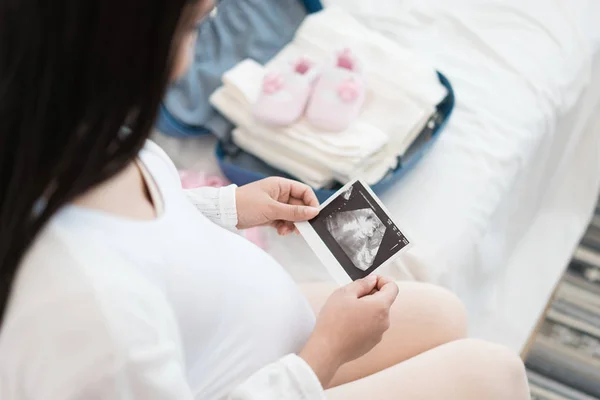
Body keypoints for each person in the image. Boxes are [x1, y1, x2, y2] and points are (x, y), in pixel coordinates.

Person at [0, 1, 531, 399]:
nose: (188, 65)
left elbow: (142, 229)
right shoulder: (97, 320)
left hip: (251, 338)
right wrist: (322, 355)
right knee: (495, 374)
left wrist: (231, 208)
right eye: (191, 30)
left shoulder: (64, 136)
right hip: (277, 375)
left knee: (443, 312)